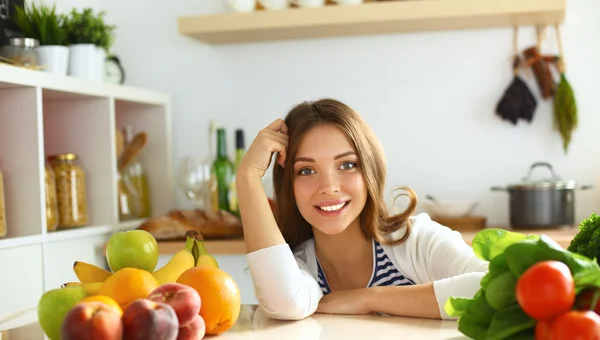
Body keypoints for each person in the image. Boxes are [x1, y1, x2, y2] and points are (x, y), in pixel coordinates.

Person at [235, 98, 489, 321]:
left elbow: (494, 287)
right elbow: (286, 304)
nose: (329, 187)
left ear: (370, 170)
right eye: (307, 170)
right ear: (289, 185)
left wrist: (368, 298)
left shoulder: (416, 241)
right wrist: (247, 177)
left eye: (346, 165)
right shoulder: (299, 266)